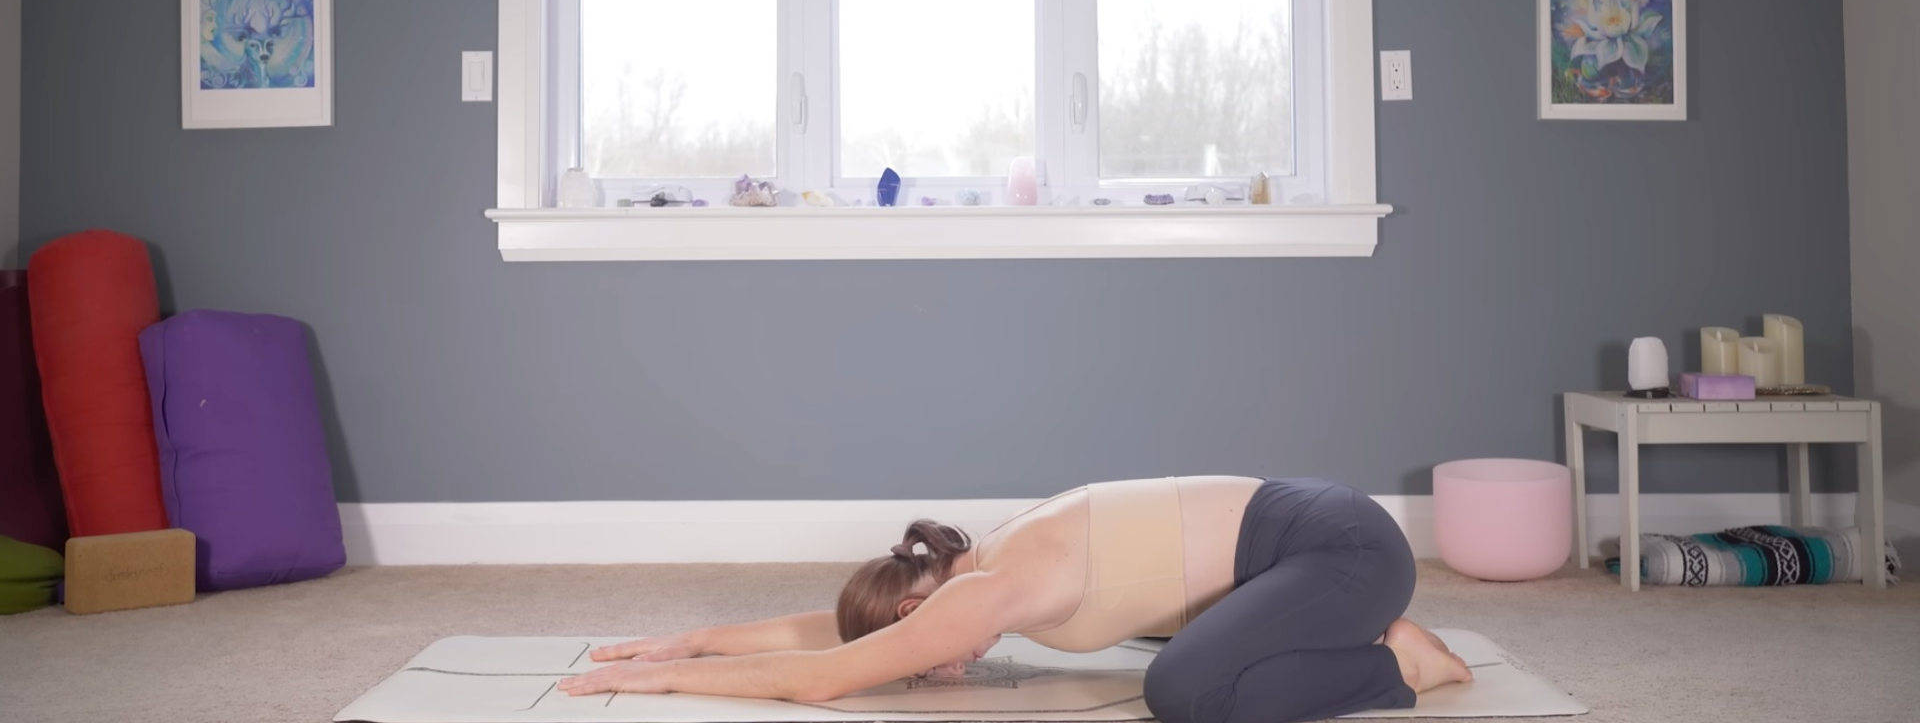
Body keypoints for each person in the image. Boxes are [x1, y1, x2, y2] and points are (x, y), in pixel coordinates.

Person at [560, 476, 1472, 723]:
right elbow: (830, 636)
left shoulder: (981, 593)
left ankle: (1396, 665)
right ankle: (1365, 640)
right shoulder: (973, 564)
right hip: (1311, 536)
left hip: (1339, 550)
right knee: (1177, 653)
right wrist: (692, 640)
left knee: (1187, 691)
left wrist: (661, 687)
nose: (934, 671)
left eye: (917, 657)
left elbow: (823, 677)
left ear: (924, 608)